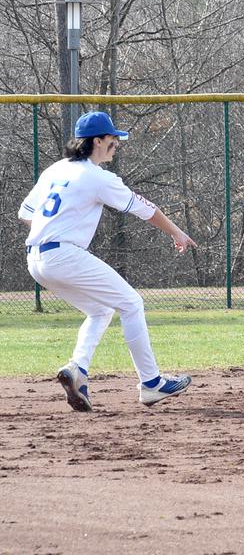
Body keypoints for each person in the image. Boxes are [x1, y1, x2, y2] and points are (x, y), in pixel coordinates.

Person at [18, 111, 197, 411]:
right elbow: (144, 208)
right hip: (63, 254)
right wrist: (177, 232)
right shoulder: (97, 177)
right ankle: (151, 383)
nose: (116, 144)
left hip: (36, 259)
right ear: (97, 141)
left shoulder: (56, 170)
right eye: (113, 139)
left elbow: (25, 213)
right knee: (132, 303)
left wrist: (52, 229)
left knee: (100, 310)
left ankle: (77, 370)